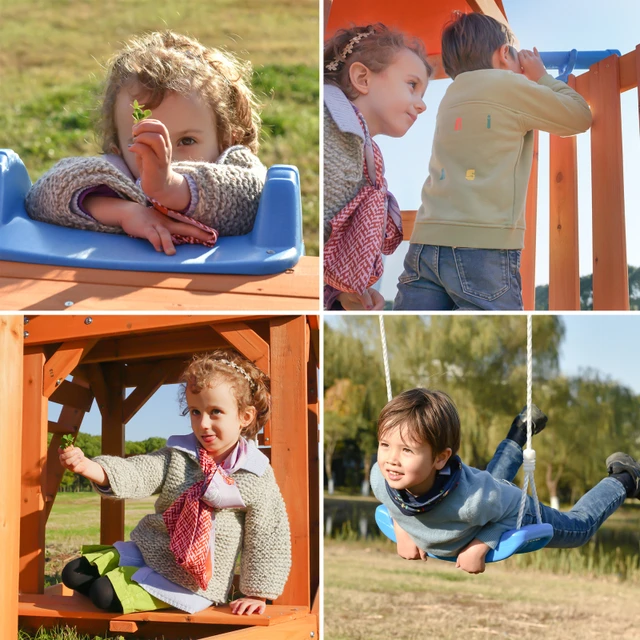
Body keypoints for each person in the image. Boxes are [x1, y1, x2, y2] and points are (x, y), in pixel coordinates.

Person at [58, 349, 291, 615]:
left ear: (244, 417)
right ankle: (129, 573)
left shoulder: (253, 473)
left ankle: (131, 584)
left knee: (102, 593)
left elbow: (268, 534)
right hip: (153, 547)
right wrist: (92, 467)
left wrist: (257, 594)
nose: (203, 424)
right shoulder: (179, 455)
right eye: (195, 411)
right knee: (73, 573)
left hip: (191, 576)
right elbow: (141, 471)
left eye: (215, 412)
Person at [394, 12, 593, 310]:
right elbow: (579, 116)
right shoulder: (511, 87)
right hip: (483, 248)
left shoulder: (451, 95)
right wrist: (541, 78)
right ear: (504, 54)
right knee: (499, 344)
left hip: (426, 242)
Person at [26, 31, 266, 256]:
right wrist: (123, 212)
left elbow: (252, 199)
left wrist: (171, 187)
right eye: (145, 141)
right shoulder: (119, 179)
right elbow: (43, 197)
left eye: (187, 140)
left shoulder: (235, 165)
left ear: (226, 140)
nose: (167, 157)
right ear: (118, 149)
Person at [371, 388, 640, 574]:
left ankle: (624, 477)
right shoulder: (380, 477)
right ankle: (521, 429)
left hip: (509, 510)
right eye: (385, 445)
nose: (391, 460)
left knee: (578, 529)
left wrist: (480, 545)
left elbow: (514, 507)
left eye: (407, 450)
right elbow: (390, 499)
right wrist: (402, 528)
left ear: (440, 459)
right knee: (492, 485)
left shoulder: (473, 501)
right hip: (488, 499)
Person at [323, 23, 432, 310]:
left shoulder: (360, 146)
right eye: (412, 85)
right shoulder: (333, 130)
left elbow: (332, 237)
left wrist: (340, 294)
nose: (421, 105)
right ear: (362, 78)